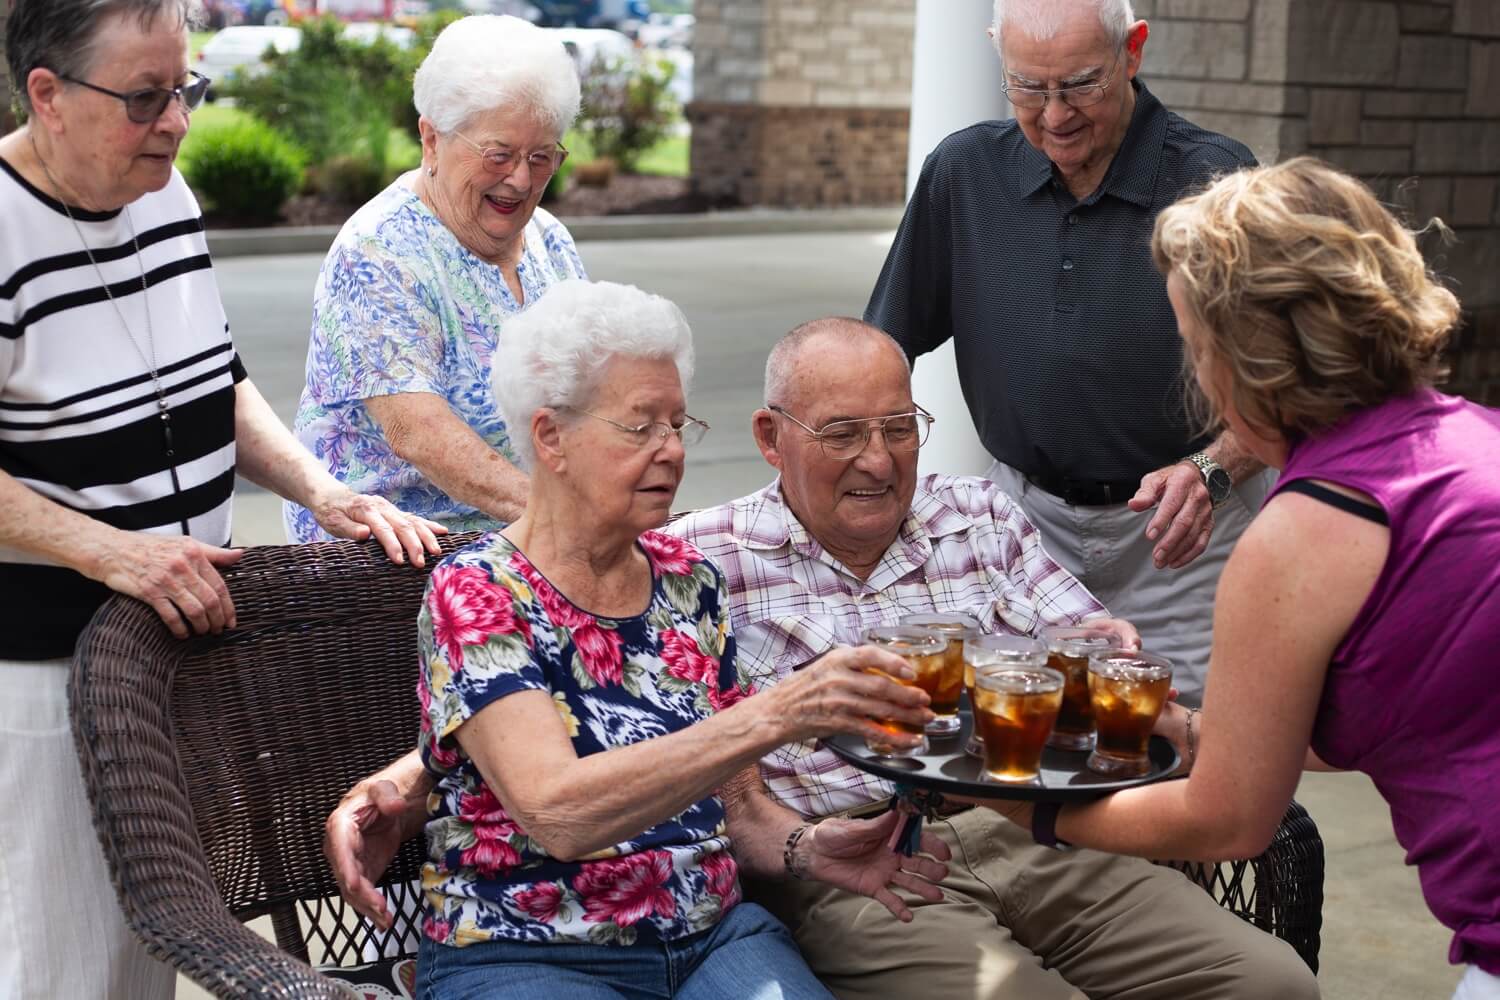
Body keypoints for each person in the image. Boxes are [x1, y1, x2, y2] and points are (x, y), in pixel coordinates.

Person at [331, 317, 1319, 999]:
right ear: (770, 437)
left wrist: (1135, 700)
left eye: (900, 429)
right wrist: (419, 771)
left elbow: (1098, 666)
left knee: (1274, 983)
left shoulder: (972, 512)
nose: (880, 459)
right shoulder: (704, 554)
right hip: (865, 858)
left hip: (1035, 820)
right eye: (843, 433)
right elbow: (556, 674)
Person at [971, 159, 1500, 1000]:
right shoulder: (1476, 439)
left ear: (1247, 355)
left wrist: (1025, 808)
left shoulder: (1304, 532)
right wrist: (1201, 724)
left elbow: (1231, 819)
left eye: (1191, 342)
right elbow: (1419, 703)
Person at [0, 1, 445, 996]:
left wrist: (320, 488)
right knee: (62, 961)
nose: (176, 123)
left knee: (147, 950)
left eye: (186, 90)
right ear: (48, 95)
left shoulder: (164, 193)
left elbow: (219, 381)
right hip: (40, 669)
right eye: (145, 97)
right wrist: (110, 550)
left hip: (176, 658)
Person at [411, 281, 953, 999]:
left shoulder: (686, 580)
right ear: (551, 437)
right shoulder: (478, 590)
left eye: (678, 423)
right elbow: (558, 811)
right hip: (529, 952)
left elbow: (741, 811)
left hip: (710, 938)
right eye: (642, 427)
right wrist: (775, 715)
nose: (671, 450)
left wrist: (808, 848)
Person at [866, 0, 1264, 704]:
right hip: (1023, 527)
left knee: (1186, 751)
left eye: (1081, 85)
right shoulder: (963, 171)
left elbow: (1285, 381)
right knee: (1025, 751)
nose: (1055, 116)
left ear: (1132, 52)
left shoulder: (1215, 181)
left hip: (1183, 533)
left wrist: (1216, 469)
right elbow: (878, 350)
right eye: (1027, 87)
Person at [284, 14, 587, 543]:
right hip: (399, 554)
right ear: (431, 138)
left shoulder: (549, 239)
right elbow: (418, 433)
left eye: (542, 158)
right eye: (499, 155)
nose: (520, 179)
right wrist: (569, 521)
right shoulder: (379, 251)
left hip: (529, 538)